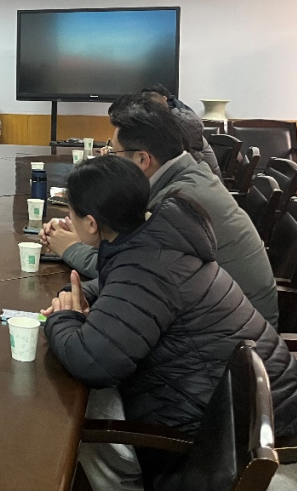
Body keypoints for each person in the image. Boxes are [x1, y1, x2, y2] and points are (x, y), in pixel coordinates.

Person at [43, 155, 297, 491]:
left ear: (90, 224)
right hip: (269, 420)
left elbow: (92, 361)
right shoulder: (158, 238)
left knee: (88, 409)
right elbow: (120, 285)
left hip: (262, 457)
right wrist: (79, 296)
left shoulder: (147, 266)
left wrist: (63, 317)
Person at [42, 95, 278, 327]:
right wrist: (89, 235)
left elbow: (134, 270)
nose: (111, 161)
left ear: (143, 159)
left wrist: (71, 247)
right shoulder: (188, 175)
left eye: (115, 154)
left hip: (234, 337)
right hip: (220, 319)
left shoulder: (178, 204)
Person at [142, 84, 222, 178]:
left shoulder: (184, 122)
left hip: (204, 176)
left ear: (164, 99)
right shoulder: (166, 119)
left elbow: (185, 159)